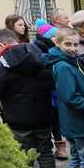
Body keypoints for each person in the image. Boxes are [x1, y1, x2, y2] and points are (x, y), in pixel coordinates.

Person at [0, 29, 56, 168]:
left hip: (18, 121)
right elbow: (52, 80)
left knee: (23, 156)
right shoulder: (38, 53)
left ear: (0, 45)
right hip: (43, 115)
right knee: (46, 153)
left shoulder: (3, 64)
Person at [45, 27, 84, 168]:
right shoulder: (64, 66)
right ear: (57, 43)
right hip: (79, 121)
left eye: (75, 45)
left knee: (77, 157)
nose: (72, 48)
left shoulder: (71, 61)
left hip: (74, 120)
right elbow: (71, 97)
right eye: (68, 44)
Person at [32, 19, 68, 160]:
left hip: (56, 91)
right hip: (47, 93)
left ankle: (61, 146)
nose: (55, 39)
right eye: (53, 37)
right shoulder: (40, 51)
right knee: (52, 120)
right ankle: (57, 147)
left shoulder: (58, 50)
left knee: (58, 120)